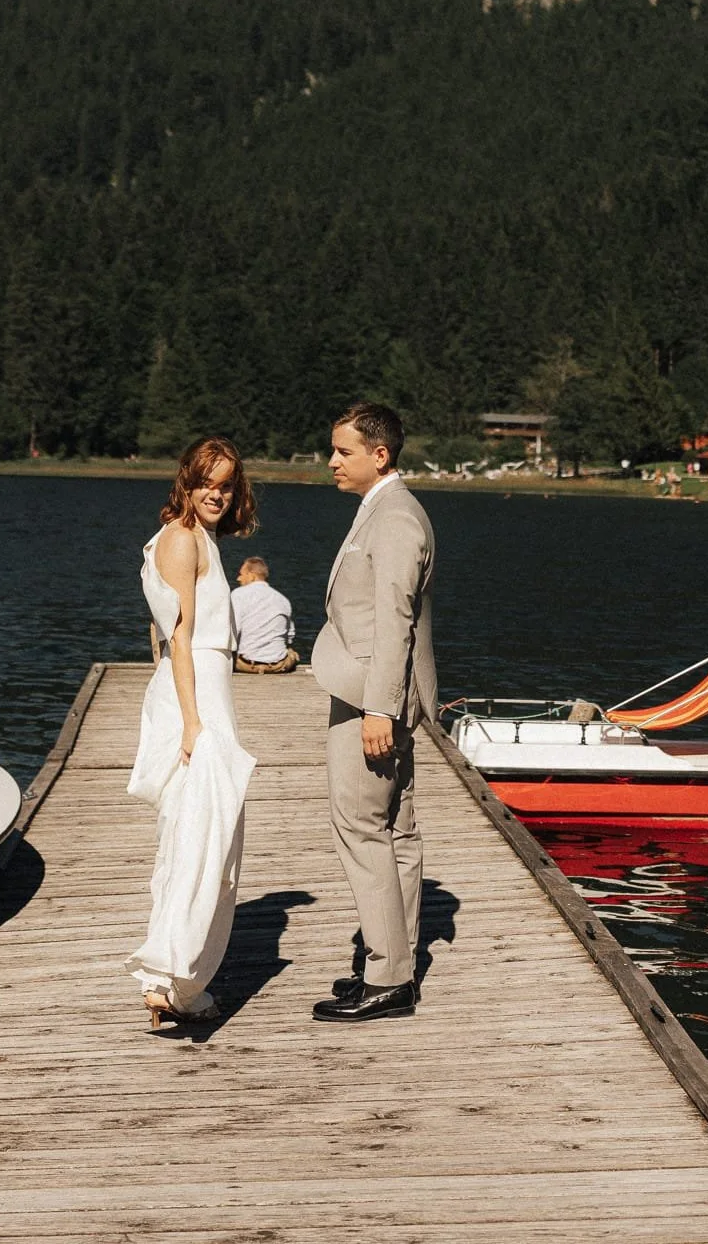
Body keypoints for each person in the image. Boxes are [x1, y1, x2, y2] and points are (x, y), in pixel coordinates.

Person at [125, 436, 259, 1027]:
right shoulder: (181, 539)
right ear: (186, 479)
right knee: (202, 834)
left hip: (202, 688)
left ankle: (176, 979)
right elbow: (176, 636)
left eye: (227, 484)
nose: (217, 493)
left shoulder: (197, 538)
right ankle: (168, 975)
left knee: (204, 832)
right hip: (195, 693)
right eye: (208, 481)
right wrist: (192, 721)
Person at [310, 401, 436, 1024]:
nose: (332, 461)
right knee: (397, 833)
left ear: (379, 455)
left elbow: (395, 622)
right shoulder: (385, 509)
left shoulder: (393, 518)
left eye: (343, 451)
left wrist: (379, 709)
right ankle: (396, 966)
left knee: (362, 830)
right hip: (376, 693)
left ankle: (387, 976)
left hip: (371, 698)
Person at [230, 556, 300, 674]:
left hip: (246, 664)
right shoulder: (282, 599)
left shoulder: (238, 595)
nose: (238, 578)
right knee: (293, 654)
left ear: (252, 576)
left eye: (241, 574)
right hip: (278, 665)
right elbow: (290, 636)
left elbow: (232, 631)